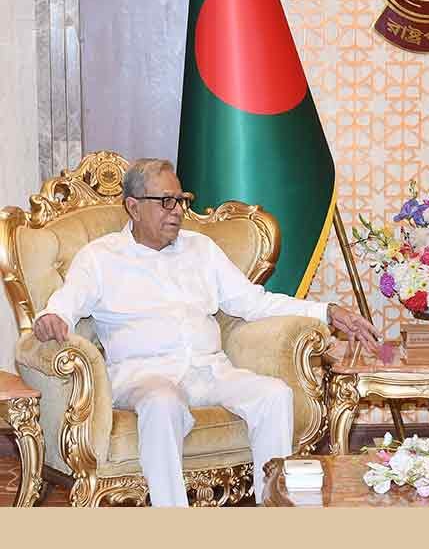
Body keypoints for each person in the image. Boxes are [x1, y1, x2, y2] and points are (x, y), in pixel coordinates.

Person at [32, 158, 379, 506]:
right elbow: (66, 303)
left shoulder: (201, 249)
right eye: (165, 202)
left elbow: (253, 303)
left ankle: (273, 510)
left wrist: (326, 311)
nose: (178, 211)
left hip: (209, 370)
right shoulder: (100, 257)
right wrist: (53, 317)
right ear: (133, 207)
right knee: (162, 401)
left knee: (274, 394)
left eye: (181, 200)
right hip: (144, 374)